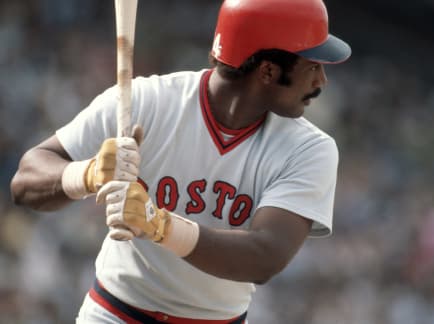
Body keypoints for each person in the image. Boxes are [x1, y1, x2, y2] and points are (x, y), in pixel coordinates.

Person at [10, 0, 351, 322]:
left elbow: (265, 255)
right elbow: (25, 181)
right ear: (267, 71)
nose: (321, 81)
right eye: (312, 66)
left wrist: (159, 226)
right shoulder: (149, 102)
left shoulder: (310, 149)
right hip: (116, 312)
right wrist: (85, 174)